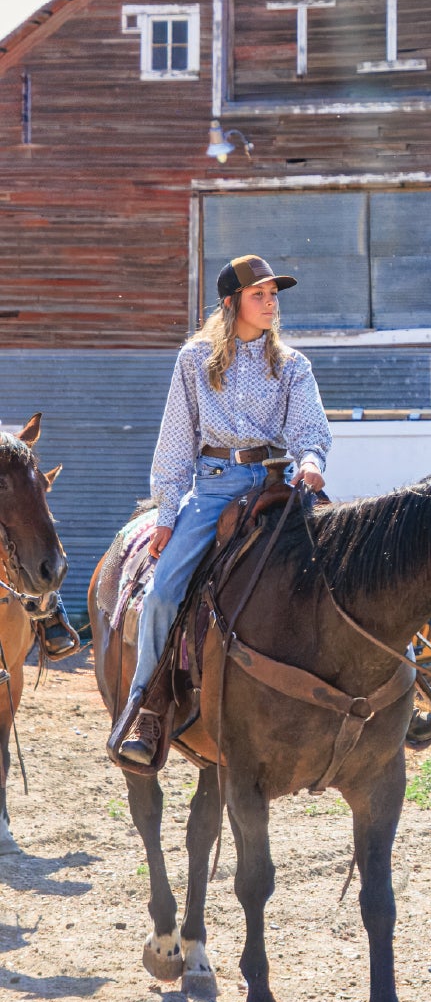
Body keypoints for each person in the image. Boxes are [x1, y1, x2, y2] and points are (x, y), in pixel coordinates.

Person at [109, 255, 331, 768]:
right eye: (260, 295)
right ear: (232, 303)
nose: (271, 303)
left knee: (349, 557)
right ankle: (150, 708)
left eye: (275, 294)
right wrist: (167, 513)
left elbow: (309, 429)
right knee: (164, 591)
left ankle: (399, 682)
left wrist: (314, 462)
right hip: (213, 489)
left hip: (279, 479)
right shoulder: (194, 360)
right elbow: (175, 441)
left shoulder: (294, 365)